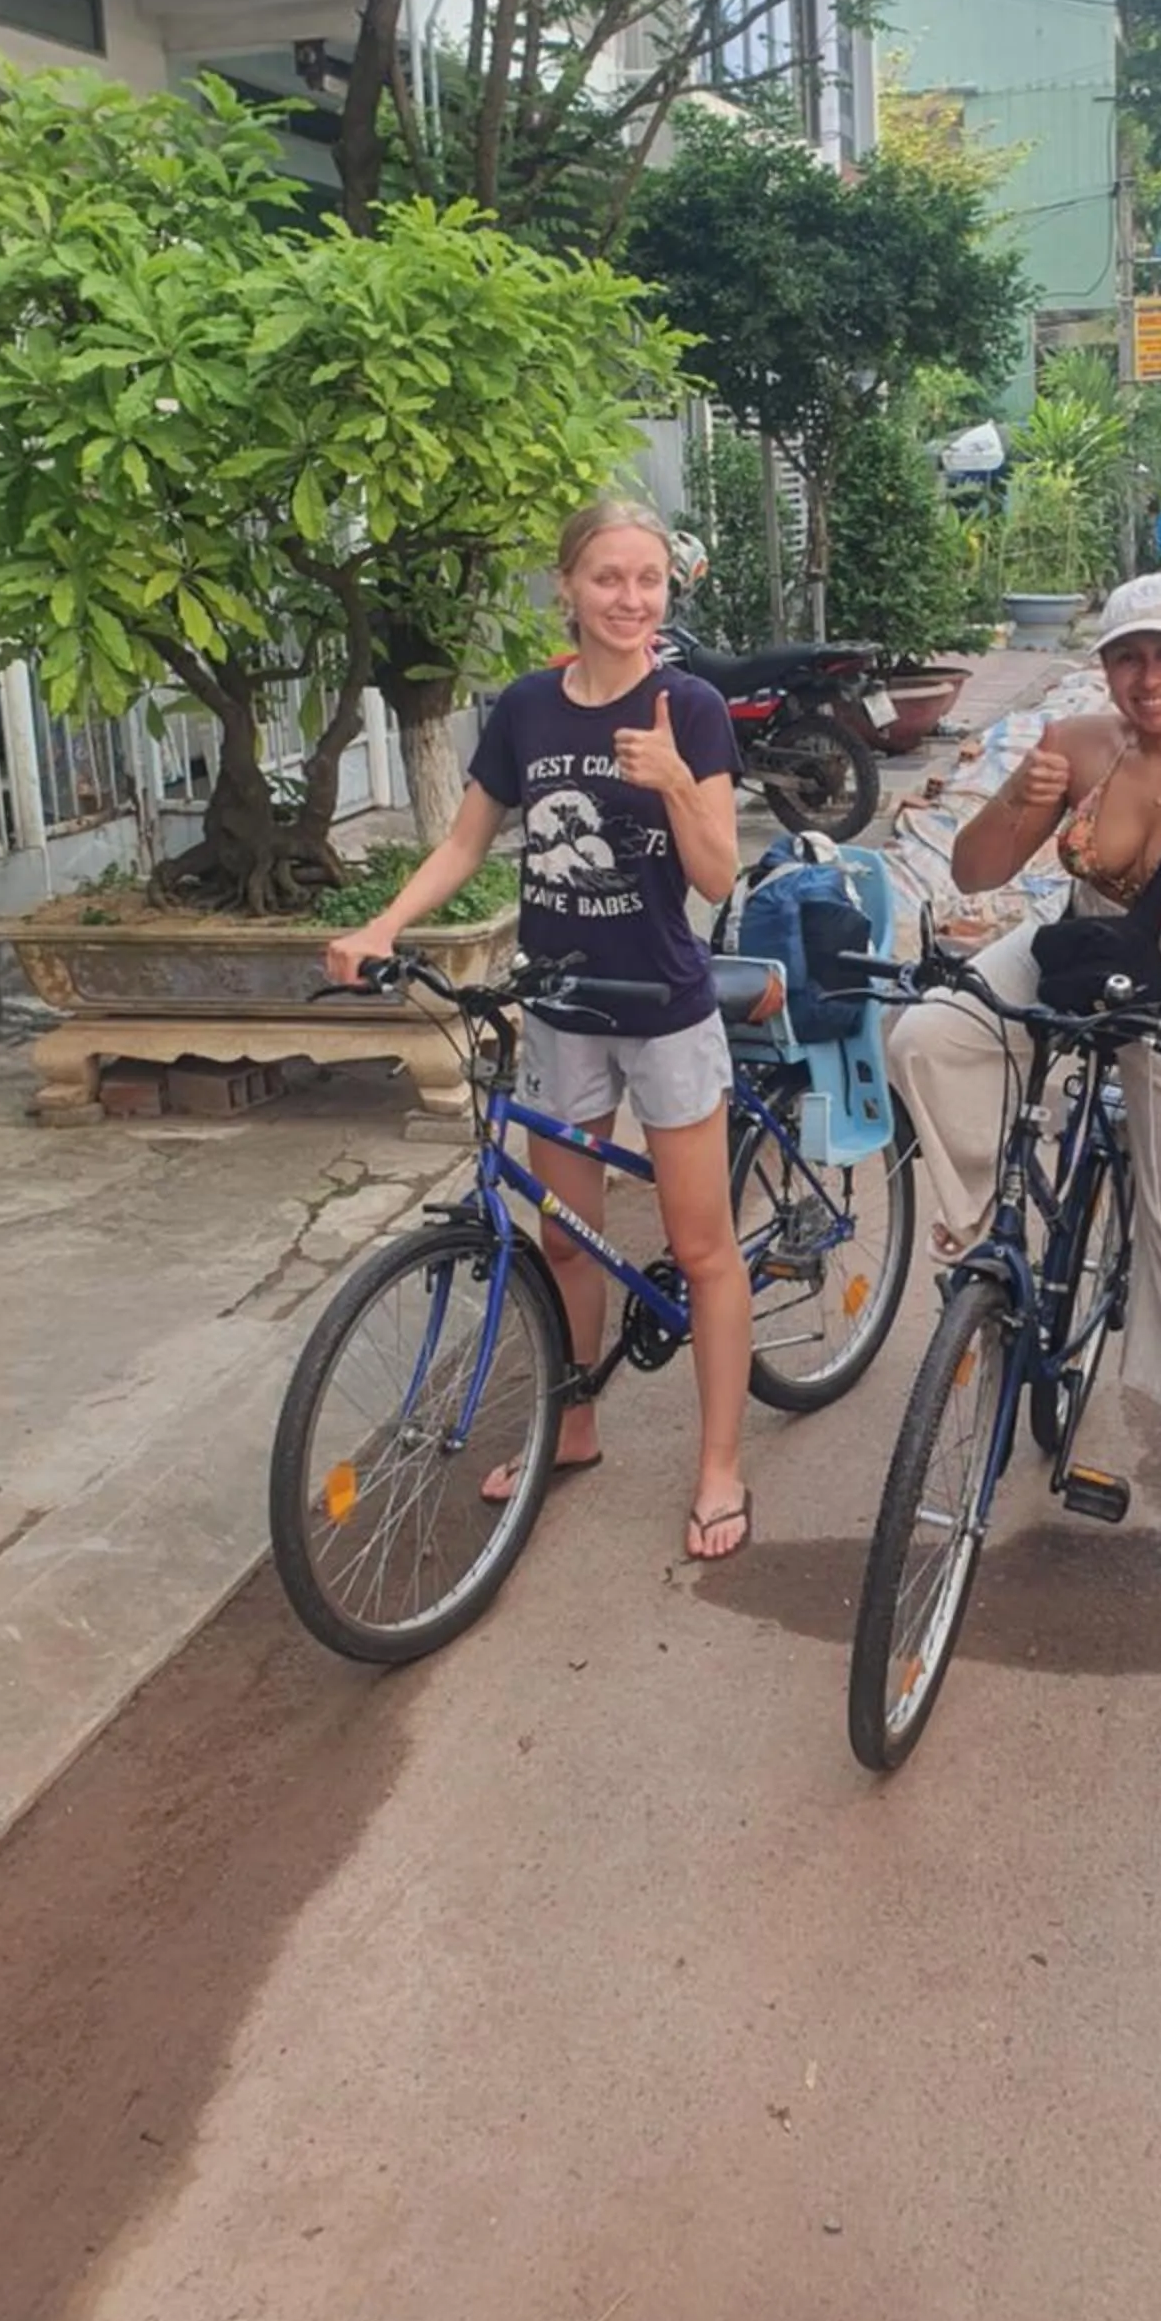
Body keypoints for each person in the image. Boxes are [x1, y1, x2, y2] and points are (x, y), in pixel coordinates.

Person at [324, 501, 756, 1563]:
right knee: (564, 1237)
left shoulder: (689, 708)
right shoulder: (526, 709)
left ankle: (719, 1466)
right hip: (560, 1008)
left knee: (701, 1249)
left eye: (649, 580)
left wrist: (669, 787)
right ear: (566, 585)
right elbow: (468, 842)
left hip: (663, 1010)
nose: (631, 599)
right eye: (608, 578)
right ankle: (573, 1424)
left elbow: (716, 874)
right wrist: (385, 923)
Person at [890, 572, 1161, 1578]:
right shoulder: (1081, 743)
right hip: (1084, 945)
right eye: (1129, 656)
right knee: (930, 1036)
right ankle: (975, 1238)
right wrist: (1019, 799)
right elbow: (977, 874)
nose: (1149, 676)